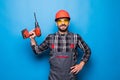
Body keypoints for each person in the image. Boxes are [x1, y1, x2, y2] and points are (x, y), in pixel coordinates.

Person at [29, 10, 91, 80]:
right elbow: (37, 51)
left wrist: (81, 64)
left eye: (65, 21)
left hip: (71, 78)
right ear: (56, 23)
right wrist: (32, 39)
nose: (63, 23)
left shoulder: (76, 37)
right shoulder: (50, 38)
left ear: (69, 23)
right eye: (60, 21)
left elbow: (87, 51)